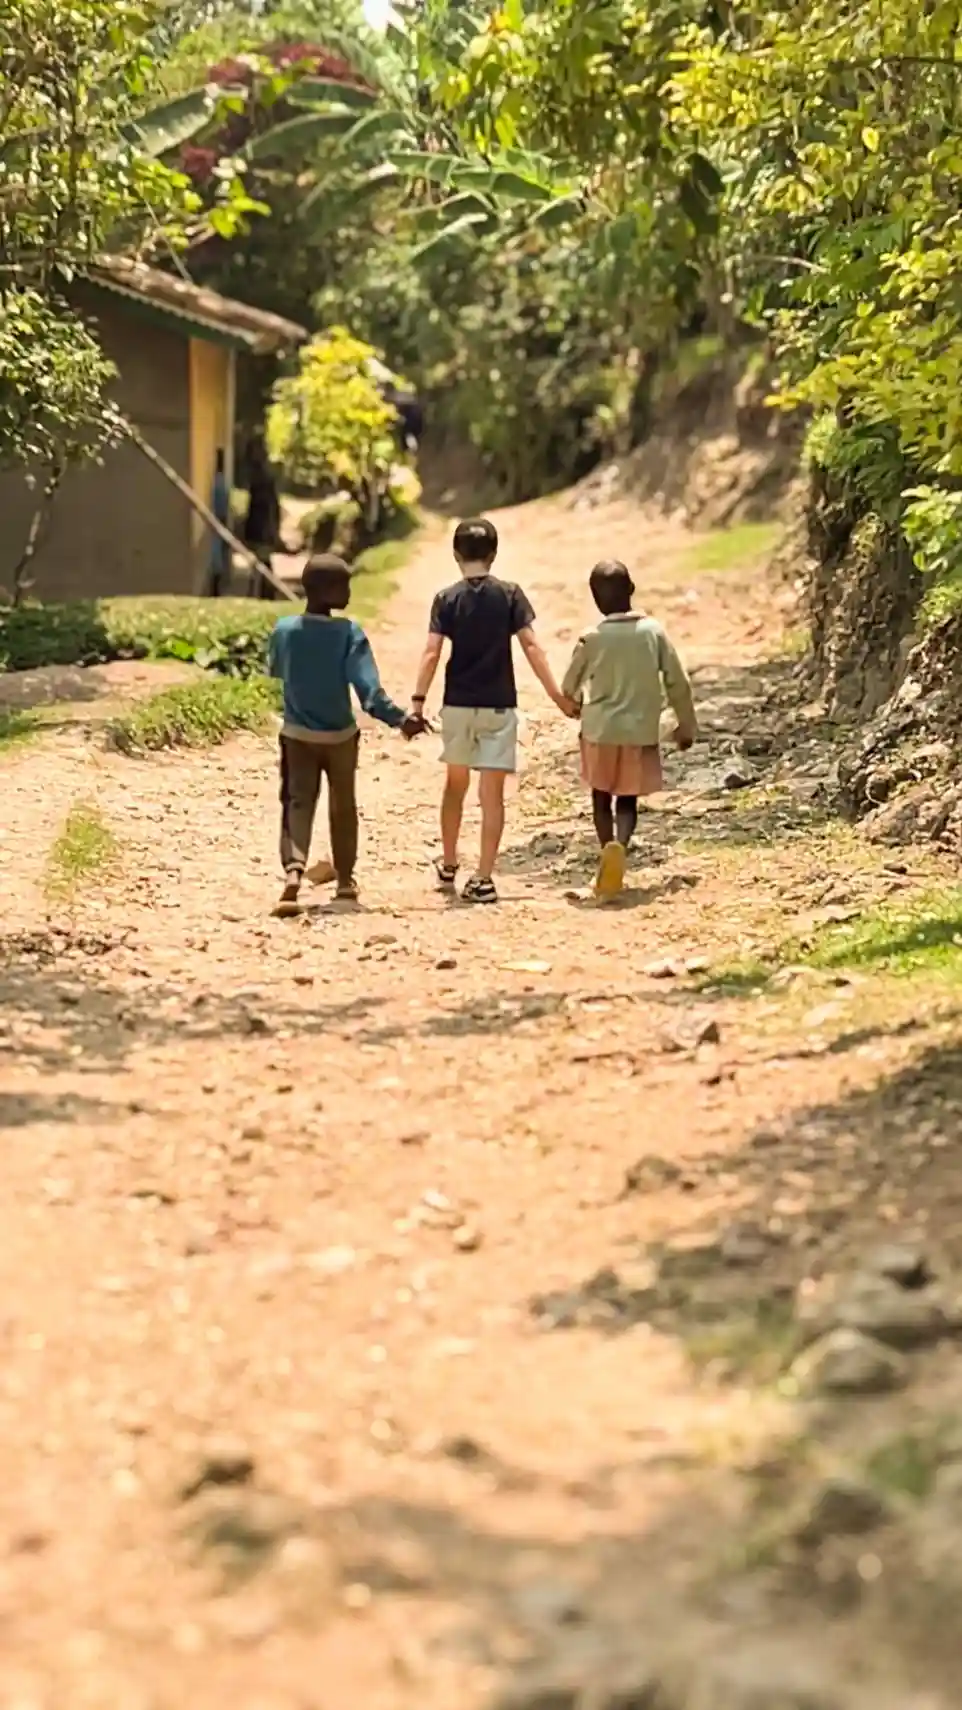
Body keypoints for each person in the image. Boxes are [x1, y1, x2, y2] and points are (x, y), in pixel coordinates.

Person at [410, 517, 573, 904]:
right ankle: (483, 877)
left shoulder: (446, 599)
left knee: (455, 786)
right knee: (492, 796)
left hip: (458, 706)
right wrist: (557, 696)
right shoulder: (511, 595)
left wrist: (418, 701)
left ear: (455, 555)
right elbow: (532, 647)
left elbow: (432, 652)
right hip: (500, 705)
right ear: (494, 554)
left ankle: (449, 862)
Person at [268, 553, 425, 916]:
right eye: (344, 585)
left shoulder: (284, 630)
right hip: (339, 736)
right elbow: (369, 693)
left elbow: (277, 671)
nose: (349, 592)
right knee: (343, 807)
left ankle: (293, 871)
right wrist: (401, 720)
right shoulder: (348, 633)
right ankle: (344, 882)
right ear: (327, 590)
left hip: (297, 735)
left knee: (297, 801)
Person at [561, 559, 696, 900]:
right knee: (627, 800)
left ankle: (606, 847)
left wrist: (575, 703)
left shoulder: (592, 639)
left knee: (600, 795)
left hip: (600, 732)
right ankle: (621, 844)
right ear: (632, 589)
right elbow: (678, 682)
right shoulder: (654, 632)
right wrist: (686, 724)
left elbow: (569, 685)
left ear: (594, 598)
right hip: (639, 733)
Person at [242, 433, 281, 600]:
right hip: (259, 526)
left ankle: (266, 593)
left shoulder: (263, 476)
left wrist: (271, 528)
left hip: (262, 526)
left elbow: (269, 505)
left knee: (262, 562)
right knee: (259, 562)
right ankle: (261, 592)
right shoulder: (259, 474)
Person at [207, 448, 232, 597]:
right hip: (218, 521)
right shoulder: (220, 482)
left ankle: (217, 585)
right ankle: (216, 587)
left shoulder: (218, 481)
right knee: (217, 556)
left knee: (217, 556)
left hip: (218, 521)